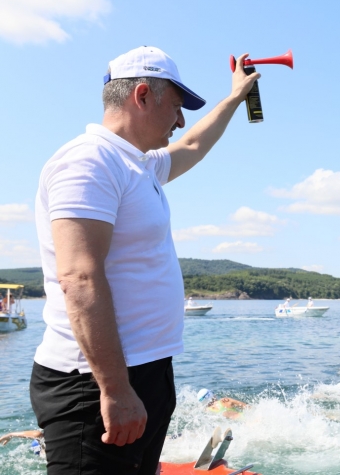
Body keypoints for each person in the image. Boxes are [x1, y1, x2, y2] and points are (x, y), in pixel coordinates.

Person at [30, 46, 260, 474]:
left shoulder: (138, 166)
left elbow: (193, 143)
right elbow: (79, 277)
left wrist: (236, 96)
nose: (180, 120)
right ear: (141, 95)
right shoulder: (89, 161)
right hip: (94, 383)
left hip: (145, 371)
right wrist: (115, 389)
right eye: (174, 106)